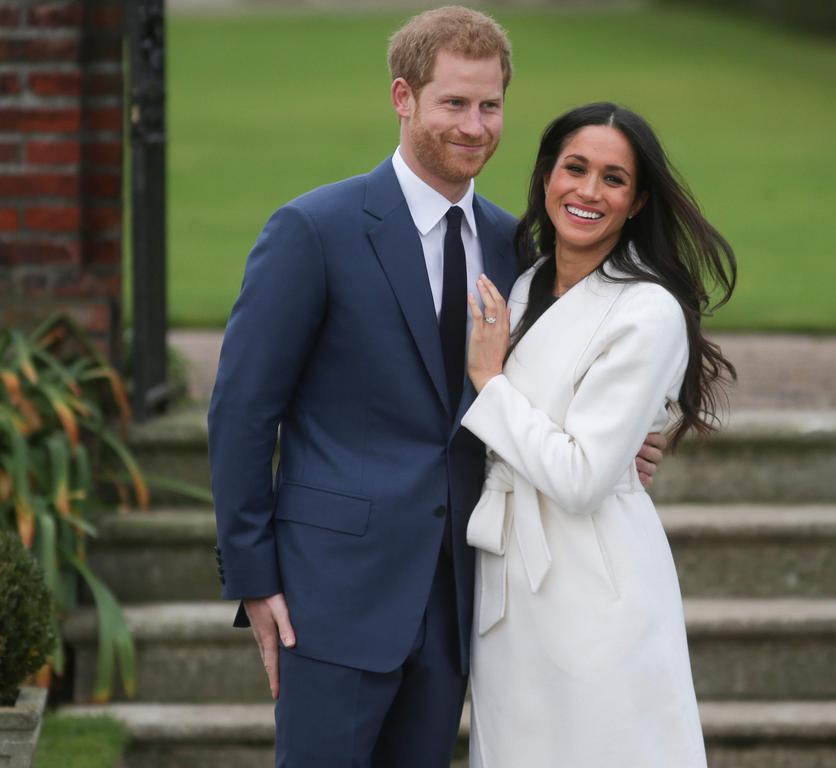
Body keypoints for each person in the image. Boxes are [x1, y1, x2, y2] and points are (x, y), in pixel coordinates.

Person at [207, 9, 666, 767]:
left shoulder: (518, 245)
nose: (476, 125)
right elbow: (243, 411)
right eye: (454, 103)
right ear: (403, 98)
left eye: (490, 106)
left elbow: (550, 388)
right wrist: (254, 579)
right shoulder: (314, 230)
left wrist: (620, 447)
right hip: (331, 595)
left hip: (461, 599)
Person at [460, 102, 737, 767]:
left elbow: (582, 478)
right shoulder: (522, 286)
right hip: (506, 578)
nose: (588, 191)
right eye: (575, 168)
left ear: (637, 200)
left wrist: (489, 382)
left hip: (593, 580)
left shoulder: (647, 310)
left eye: (613, 179)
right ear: (547, 176)